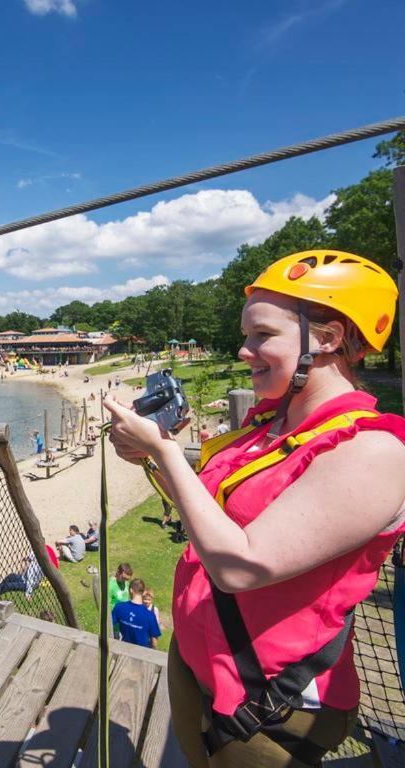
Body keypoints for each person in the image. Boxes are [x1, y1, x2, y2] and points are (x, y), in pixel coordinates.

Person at [105, 250, 405, 765]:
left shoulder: (373, 453)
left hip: (269, 700)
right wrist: (150, 459)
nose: (245, 351)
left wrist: (165, 450)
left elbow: (240, 567)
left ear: (329, 338)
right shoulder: (271, 426)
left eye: (263, 335)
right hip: (201, 659)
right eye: (246, 336)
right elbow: (209, 514)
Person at [112, 579, 161, 649]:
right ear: (143, 592)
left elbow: (108, 625)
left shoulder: (119, 607)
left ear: (131, 590)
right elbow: (154, 643)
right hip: (141, 654)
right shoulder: (150, 615)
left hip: (123, 650)